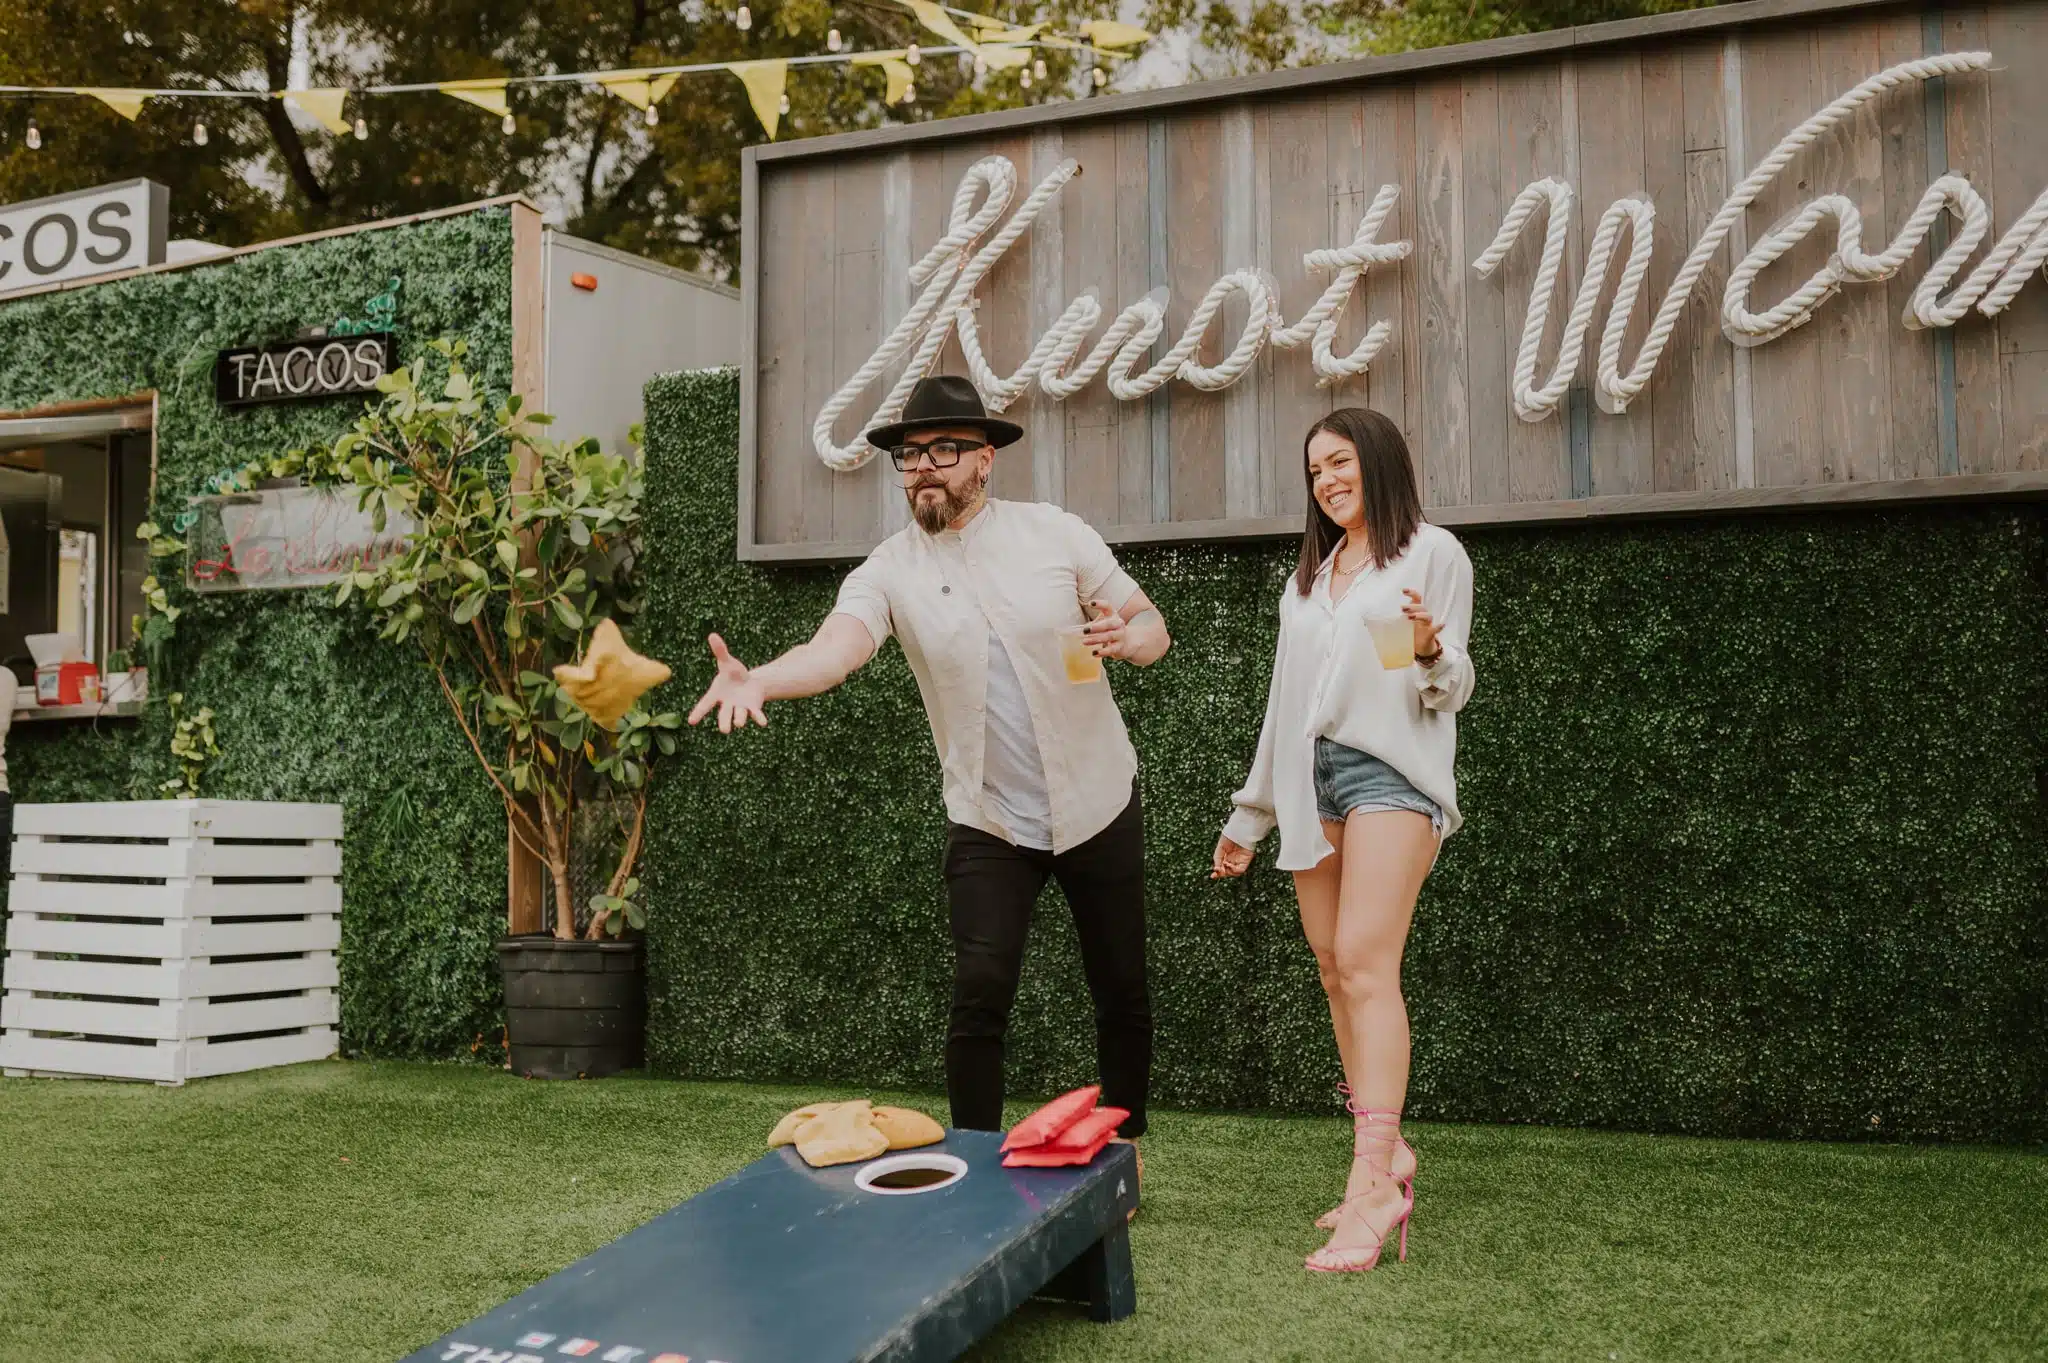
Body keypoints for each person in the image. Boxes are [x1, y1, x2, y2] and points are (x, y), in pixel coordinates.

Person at [690, 374, 1171, 1155]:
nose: (924, 467)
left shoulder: (1056, 533)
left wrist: (1130, 636)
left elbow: (1151, 624)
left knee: (1121, 989)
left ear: (986, 460)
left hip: (1097, 798)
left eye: (944, 450)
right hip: (988, 816)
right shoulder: (887, 570)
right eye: (910, 454)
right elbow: (834, 651)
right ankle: (979, 1164)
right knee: (979, 993)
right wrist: (762, 678)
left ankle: (1125, 1157)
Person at [1210, 407, 1474, 1274]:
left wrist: (1432, 649)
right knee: (1332, 965)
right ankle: (1383, 1156)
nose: (1326, 480)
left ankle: (1376, 1184)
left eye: (1340, 461)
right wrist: (1250, 815)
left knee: (1366, 961)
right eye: (1315, 469)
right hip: (1307, 782)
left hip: (1388, 776)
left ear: (1379, 461)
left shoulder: (1430, 554)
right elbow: (1285, 703)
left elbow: (1444, 687)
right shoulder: (1311, 577)